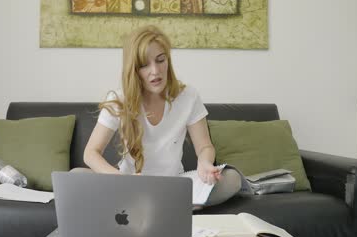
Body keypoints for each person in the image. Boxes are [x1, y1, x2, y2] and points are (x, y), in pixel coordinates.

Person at [76, 25, 241, 206]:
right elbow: (90, 153)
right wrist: (121, 180)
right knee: (76, 177)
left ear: (168, 60)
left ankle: (155, 207)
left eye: (160, 60)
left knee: (232, 179)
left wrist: (205, 164)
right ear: (134, 70)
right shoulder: (119, 99)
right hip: (130, 185)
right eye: (144, 65)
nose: (155, 71)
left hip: (174, 185)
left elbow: (205, 147)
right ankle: (169, 208)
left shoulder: (188, 96)